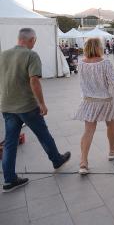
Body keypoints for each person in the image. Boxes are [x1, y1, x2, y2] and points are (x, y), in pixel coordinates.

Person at [0, 28, 71, 192]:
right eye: (35, 41)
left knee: (10, 142)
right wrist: (42, 103)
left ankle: (9, 180)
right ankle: (56, 160)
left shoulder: (3, 55)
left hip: (7, 105)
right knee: (43, 134)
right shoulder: (31, 55)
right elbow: (34, 81)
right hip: (26, 105)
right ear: (31, 40)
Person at [73, 38, 114, 175]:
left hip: (89, 100)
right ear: (99, 48)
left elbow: (82, 83)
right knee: (111, 125)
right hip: (106, 100)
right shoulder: (105, 62)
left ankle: (83, 163)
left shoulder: (81, 63)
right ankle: (112, 150)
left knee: (88, 131)